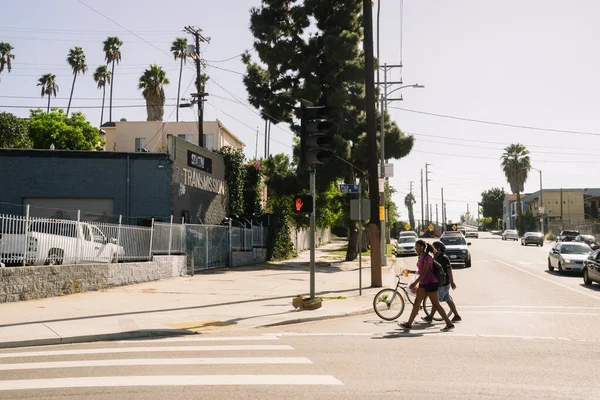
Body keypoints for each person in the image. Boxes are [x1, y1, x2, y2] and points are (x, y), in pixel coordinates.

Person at [399, 240, 455, 332]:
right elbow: (420, 271)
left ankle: (449, 323)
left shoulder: (427, 258)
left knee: (436, 304)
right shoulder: (420, 257)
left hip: (431, 283)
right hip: (424, 283)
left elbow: (425, 272)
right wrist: (411, 273)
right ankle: (408, 324)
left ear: (422, 247)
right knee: (417, 302)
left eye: (416, 246)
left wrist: (414, 283)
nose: (415, 247)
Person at [422, 241, 462, 323]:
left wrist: (452, 281)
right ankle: (456, 315)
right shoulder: (436, 258)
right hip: (441, 283)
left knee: (435, 302)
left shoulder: (444, 258)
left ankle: (430, 317)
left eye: (434, 248)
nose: (432, 250)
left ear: (438, 249)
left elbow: (449, 270)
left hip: (444, 283)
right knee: (447, 299)